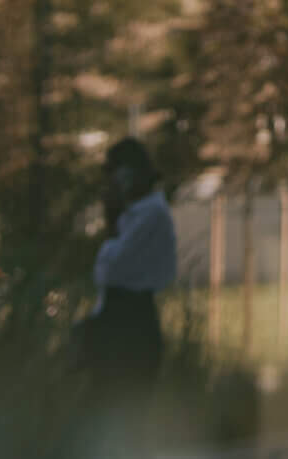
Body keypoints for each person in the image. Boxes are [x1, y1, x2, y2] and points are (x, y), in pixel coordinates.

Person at [78, 138, 174, 398]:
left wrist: (112, 222)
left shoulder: (150, 214)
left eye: (117, 174)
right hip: (119, 320)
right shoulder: (135, 214)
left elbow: (112, 270)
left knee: (122, 407)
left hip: (133, 322)